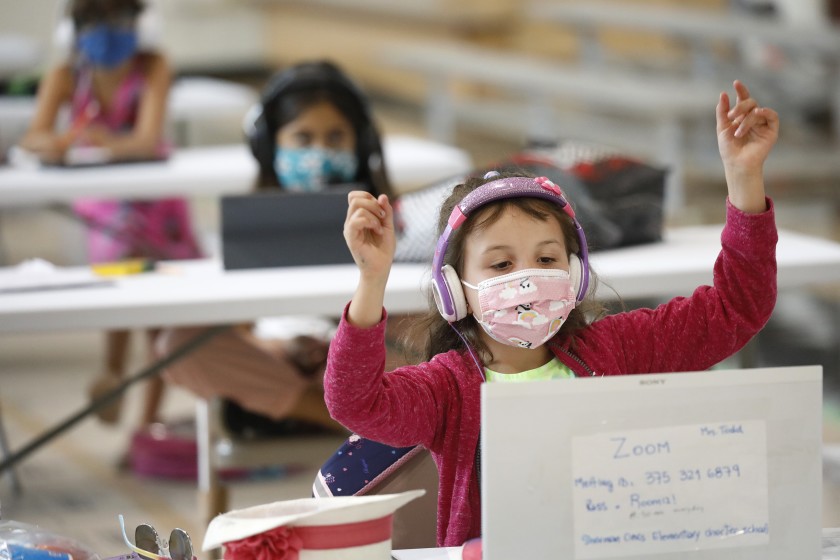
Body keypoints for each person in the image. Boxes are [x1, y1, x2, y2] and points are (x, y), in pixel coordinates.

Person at [323, 80, 779, 547]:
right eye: (501, 264)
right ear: (454, 289)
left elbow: (736, 308)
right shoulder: (447, 390)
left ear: (576, 275)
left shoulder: (619, 350)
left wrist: (744, 179)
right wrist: (372, 280)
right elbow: (354, 402)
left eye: (546, 260)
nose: (526, 278)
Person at [154, 61, 394, 436]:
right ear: (269, 147)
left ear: (360, 143)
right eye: (303, 138)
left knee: (427, 338)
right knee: (179, 344)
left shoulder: (387, 219)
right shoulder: (251, 221)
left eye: (335, 137)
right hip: (284, 365)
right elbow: (239, 324)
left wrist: (341, 340)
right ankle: (357, 424)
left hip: (365, 358)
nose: (319, 151)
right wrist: (278, 344)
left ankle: (358, 415)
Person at [18, 0, 202, 425]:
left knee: (166, 312)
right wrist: (58, 143)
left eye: (118, 19)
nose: (107, 30)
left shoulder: (153, 65)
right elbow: (34, 138)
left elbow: (146, 139)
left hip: (157, 198)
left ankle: (142, 411)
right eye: (96, 21)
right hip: (109, 202)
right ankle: (118, 375)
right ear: (74, 30)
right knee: (125, 282)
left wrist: (85, 141)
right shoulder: (66, 74)